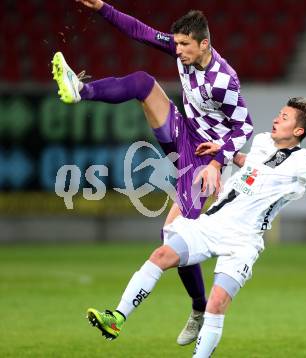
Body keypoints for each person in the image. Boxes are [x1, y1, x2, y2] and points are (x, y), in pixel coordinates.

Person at [86, 97, 306, 356]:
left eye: (283, 118)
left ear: (297, 130)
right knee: (160, 256)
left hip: (244, 242)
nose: (275, 119)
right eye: (278, 114)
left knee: (216, 303)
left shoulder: (304, 163)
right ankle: (117, 317)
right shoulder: (260, 141)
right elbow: (250, 162)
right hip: (213, 224)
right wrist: (222, 151)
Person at [52, 0, 253, 345]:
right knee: (143, 83)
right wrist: (102, 7)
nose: (178, 51)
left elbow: (244, 128)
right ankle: (80, 90)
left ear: (204, 44)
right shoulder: (182, 50)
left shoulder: (225, 80)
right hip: (183, 134)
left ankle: (198, 307)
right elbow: (140, 31)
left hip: (203, 161)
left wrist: (219, 161)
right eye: (175, 44)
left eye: (185, 46)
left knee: (172, 235)